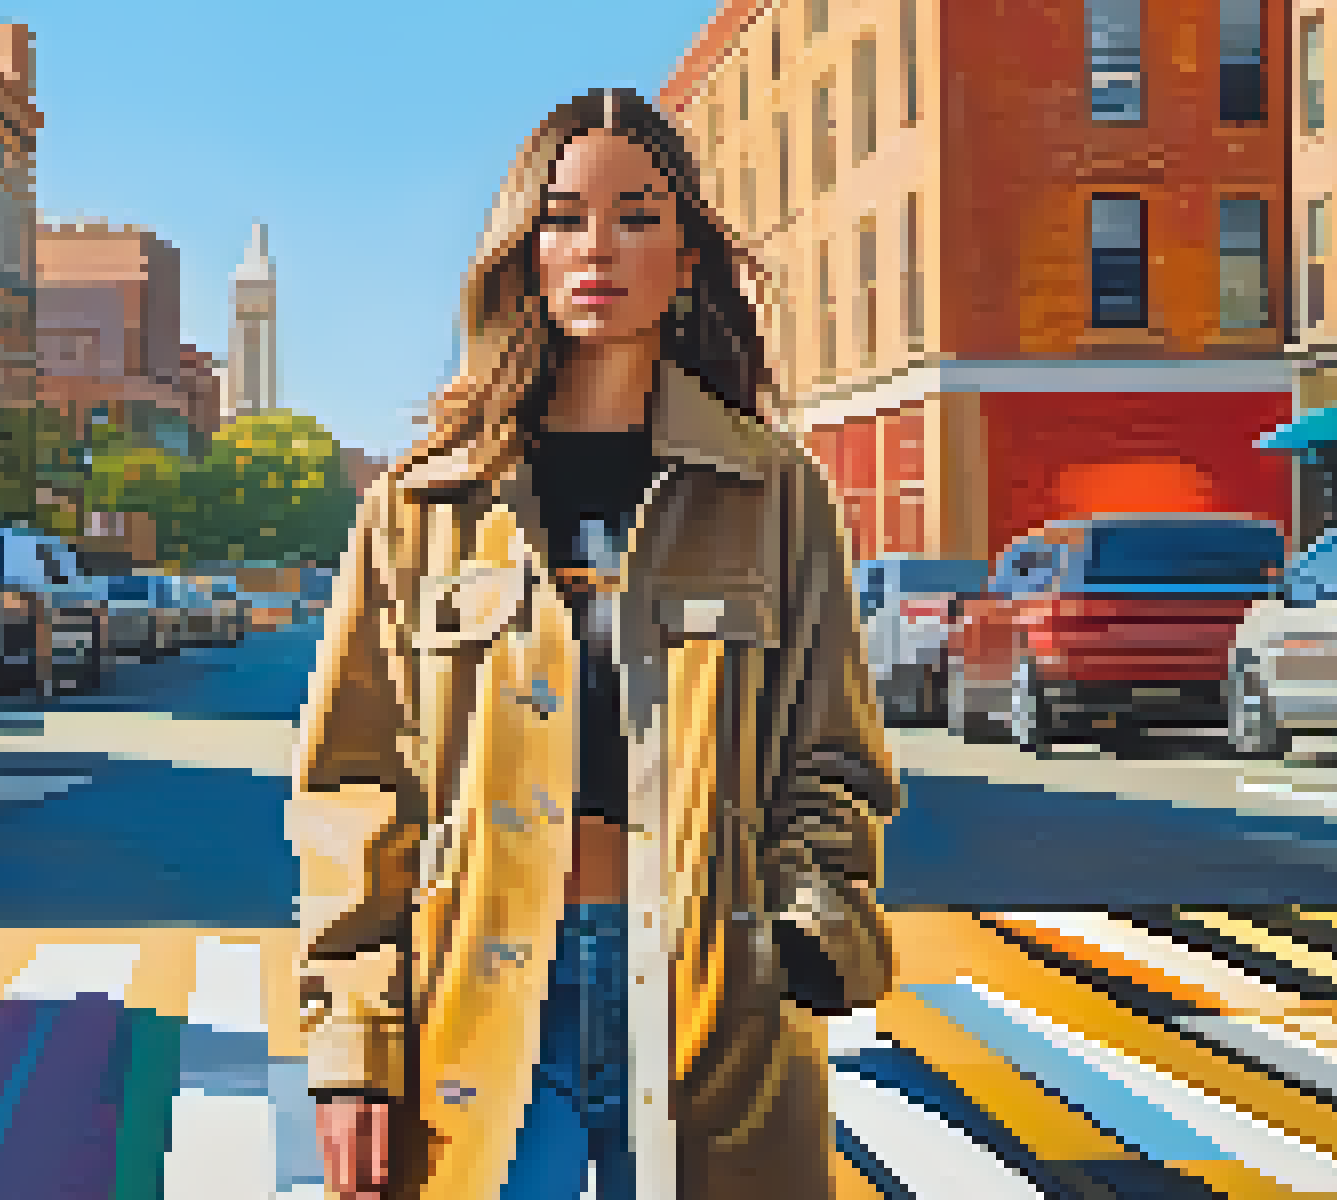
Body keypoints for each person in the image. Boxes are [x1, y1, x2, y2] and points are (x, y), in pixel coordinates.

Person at [290, 90, 900, 1200]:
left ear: (689, 253)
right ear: (524, 250)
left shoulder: (775, 492)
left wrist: (802, 928)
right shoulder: (422, 505)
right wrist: (352, 1053)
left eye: (638, 215)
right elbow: (358, 793)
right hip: (478, 1005)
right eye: (565, 217)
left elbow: (835, 757)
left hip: (717, 1005)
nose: (598, 248)